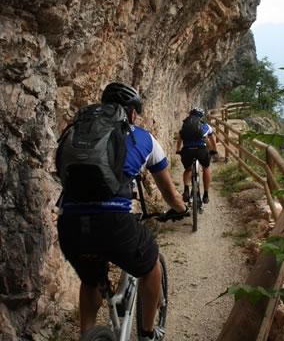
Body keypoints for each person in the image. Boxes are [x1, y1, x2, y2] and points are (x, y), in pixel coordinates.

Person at [56, 82, 188, 341]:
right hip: (113, 224)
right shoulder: (144, 139)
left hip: (70, 225)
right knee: (151, 266)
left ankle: (88, 334)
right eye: (135, 112)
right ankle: (148, 334)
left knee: (91, 279)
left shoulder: (77, 135)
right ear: (130, 112)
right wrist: (181, 208)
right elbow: (169, 194)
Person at [175, 106, 218, 205]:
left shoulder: (185, 125)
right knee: (206, 168)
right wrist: (214, 150)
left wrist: (178, 150)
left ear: (190, 115)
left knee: (188, 169)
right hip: (201, 150)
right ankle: (206, 194)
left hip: (187, 151)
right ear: (201, 116)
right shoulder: (205, 126)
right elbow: (211, 140)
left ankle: (186, 189)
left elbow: (179, 139)